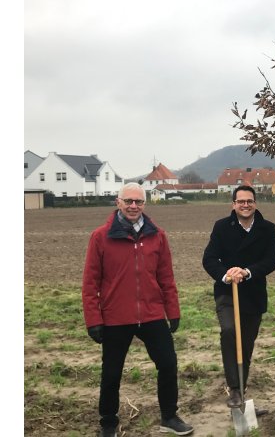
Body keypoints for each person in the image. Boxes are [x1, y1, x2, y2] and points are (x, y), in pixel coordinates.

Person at [81, 183, 194, 437]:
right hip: (115, 317)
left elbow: (166, 277)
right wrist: (93, 319)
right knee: (111, 372)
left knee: (168, 363)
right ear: (118, 202)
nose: (134, 206)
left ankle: (169, 416)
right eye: (129, 201)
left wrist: (172, 311)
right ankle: (108, 422)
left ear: (145, 204)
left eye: (139, 202)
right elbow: (90, 282)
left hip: (152, 314)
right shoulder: (101, 236)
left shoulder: (158, 236)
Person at [202, 185, 275, 411]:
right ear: (233, 204)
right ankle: (234, 389)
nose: (245, 205)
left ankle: (241, 393)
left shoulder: (267, 229)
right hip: (227, 292)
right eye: (241, 201)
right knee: (229, 332)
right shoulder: (222, 227)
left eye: (249, 201)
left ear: (255, 203)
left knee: (245, 345)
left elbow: (271, 260)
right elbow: (209, 259)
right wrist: (226, 275)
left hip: (253, 295)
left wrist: (246, 272)